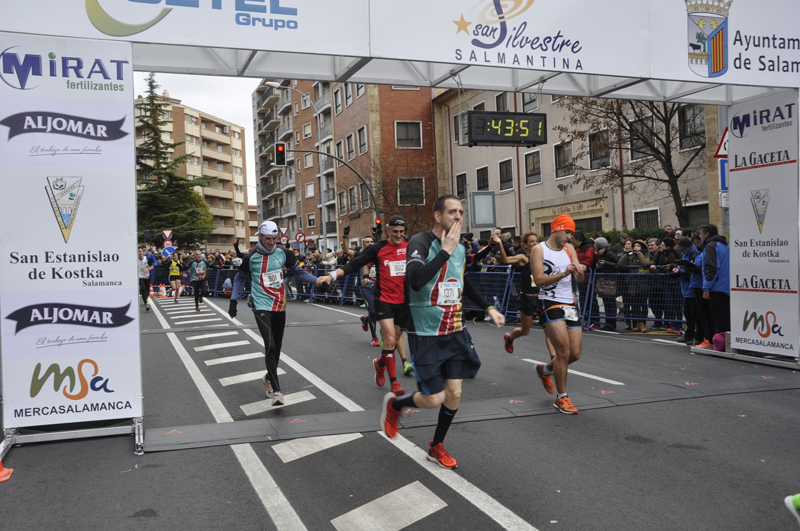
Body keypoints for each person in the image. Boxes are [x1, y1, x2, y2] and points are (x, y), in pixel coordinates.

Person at [381, 195, 504, 469]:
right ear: (438, 216)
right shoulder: (420, 242)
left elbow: (463, 280)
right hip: (426, 332)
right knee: (434, 398)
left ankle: (436, 446)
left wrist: (489, 307)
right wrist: (444, 252)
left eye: (461, 211)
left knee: (454, 393)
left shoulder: (459, 247)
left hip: (455, 329)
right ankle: (396, 406)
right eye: (452, 212)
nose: (458, 216)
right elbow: (415, 280)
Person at [317, 215, 412, 395]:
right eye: (395, 232)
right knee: (390, 338)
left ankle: (380, 364)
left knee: (394, 340)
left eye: (402, 232)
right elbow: (354, 264)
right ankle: (394, 384)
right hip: (383, 299)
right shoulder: (378, 249)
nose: (399, 235)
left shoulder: (411, 247)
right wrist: (331, 276)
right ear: (387, 231)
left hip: (404, 301)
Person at [229, 221, 319, 406]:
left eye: (274, 239)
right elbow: (239, 279)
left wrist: (317, 281)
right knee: (269, 345)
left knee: (277, 347)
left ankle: (269, 378)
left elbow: (298, 272)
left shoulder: (284, 253)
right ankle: (277, 391)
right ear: (260, 237)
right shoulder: (251, 257)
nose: (271, 242)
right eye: (268, 239)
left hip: (279, 305)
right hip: (260, 304)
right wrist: (233, 301)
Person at [530, 214, 587, 414]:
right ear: (557, 229)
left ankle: (544, 370)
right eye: (567, 232)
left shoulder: (569, 248)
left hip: (569, 304)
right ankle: (562, 398)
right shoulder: (539, 250)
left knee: (574, 354)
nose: (570, 237)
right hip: (549, 302)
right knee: (563, 352)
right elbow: (538, 280)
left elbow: (580, 280)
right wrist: (563, 273)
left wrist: (580, 270)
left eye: (571, 233)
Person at [497, 232, 549, 355]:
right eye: (531, 241)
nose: (535, 243)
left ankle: (554, 359)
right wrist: (499, 243)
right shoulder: (523, 258)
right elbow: (505, 260)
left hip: (542, 298)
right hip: (528, 298)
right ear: (525, 245)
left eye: (536, 241)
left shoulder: (543, 257)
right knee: (525, 331)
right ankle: (509, 339)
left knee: (549, 331)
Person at [342, 235, 383, 348]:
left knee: (382, 313)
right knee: (373, 311)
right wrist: (345, 237)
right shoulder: (360, 255)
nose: (370, 243)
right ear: (363, 244)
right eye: (367, 242)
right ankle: (374, 337)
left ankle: (365, 319)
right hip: (366, 288)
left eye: (371, 241)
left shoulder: (379, 254)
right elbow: (346, 251)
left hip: (380, 288)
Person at [699, 224, 730, 339]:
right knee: (724, 317)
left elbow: (712, 267)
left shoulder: (711, 246)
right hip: (725, 286)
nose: (700, 236)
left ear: (707, 233)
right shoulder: (724, 245)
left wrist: (706, 287)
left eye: (701, 233)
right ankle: (723, 341)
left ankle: (720, 343)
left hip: (717, 286)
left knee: (718, 318)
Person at [618, 240, 651, 333]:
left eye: (638, 246)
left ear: (642, 247)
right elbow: (620, 263)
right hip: (632, 284)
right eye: (635, 246)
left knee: (643, 305)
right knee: (635, 305)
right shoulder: (631, 256)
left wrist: (640, 254)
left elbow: (645, 263)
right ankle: (638, 324)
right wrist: (627, 255)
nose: (636, 247)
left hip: (643, 283)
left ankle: (643, 323)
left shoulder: (646, 255)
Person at [593, 237, 620, 329]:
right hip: (604, 281)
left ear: (599, 246)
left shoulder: (609, 253)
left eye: (596, 245)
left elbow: (619, 263)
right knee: (606, 303)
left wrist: (606, 263)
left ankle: (611, 324)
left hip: (610, 281)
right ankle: (608, 323)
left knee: (610, 303)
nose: (594, 247)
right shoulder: (600, 253)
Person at [137, 246, 156, 311]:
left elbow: (152, 266)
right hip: (140, 276)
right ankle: (146, 303)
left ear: (143, 252)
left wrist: (147, 269)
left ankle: (145, 299)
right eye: (139, 251)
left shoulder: (147, 259)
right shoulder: (136, 259)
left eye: (141, 251)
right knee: (143, 289)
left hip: (147, 276)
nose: (140, 252)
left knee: (147, 290)